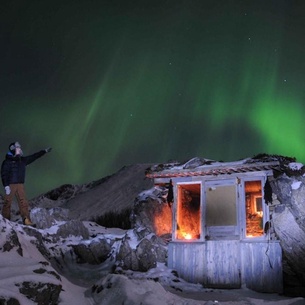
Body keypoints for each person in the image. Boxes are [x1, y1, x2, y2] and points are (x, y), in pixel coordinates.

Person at [1, 141, 52, 225]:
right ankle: (5, 221)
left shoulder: (23, 160)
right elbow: (4, 174)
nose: (19, 149)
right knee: (7, 202)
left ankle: (26, 220)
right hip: (11, 185)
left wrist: (44, 151)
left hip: (20, 184)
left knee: (23, 203)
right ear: (13, 149)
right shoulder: (7, 162)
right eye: (17, 148)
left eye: (19, 148)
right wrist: (6, 186)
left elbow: (34, 156)